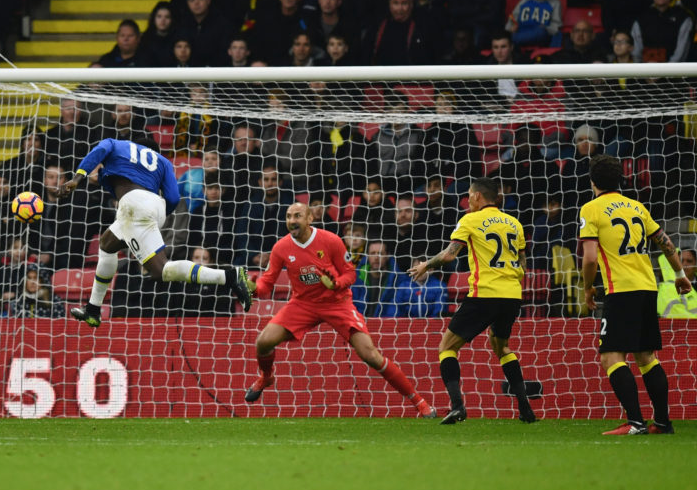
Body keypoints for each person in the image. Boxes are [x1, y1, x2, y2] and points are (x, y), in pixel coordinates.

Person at [244, 202, 436, 417]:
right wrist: (253, 287)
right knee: (263, 342)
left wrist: (335, 284)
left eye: (297, 216)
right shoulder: (281, 248)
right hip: (302, 304)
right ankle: (266, 376)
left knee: (370, 355)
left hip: (337, 302)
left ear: (309, 219)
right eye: (288, 216)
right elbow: (266, 285)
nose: (292, 221)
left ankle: (418, 401)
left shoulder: (330, 241)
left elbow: (350, 274)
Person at [56, 136, 254, 328]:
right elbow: (174, 198)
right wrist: (154, 214)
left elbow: (99, 151)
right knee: (107, 244)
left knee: (160, 270)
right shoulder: (164, 162)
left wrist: (77, 178)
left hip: (132, 204)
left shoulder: (118, 145)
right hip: (153, 206)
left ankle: (229, 276)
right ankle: (93, 308)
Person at [408, 177, 537, 425]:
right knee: (503, 348)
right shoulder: (514, 224)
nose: (467, 200)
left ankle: (457, 406)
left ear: (478, 196)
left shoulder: (470, 220)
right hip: (511, 295)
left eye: (469, 195)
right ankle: (525, 408)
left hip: (484, 294)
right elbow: (522, 262)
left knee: (446, 347)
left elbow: (448, 255)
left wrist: (425, 264)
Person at [579, 155, 692, 435]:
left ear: (592, 181)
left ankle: (635, 422)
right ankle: (663, 423)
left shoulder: (591, 209)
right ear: (620, 180)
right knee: (645, 356)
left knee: (611, 356)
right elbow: (666, 243)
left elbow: (590, 257)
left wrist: (588, 287)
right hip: (647, 286)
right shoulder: (637, 207)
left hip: (621, 288)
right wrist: (680, 275)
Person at [657, 248, 697, 318]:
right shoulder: (668, 288)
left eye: (689, 261)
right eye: (681, 261)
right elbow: (676, 314)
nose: (685, 264)